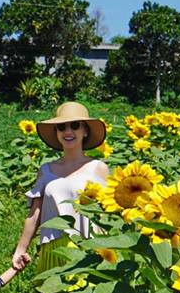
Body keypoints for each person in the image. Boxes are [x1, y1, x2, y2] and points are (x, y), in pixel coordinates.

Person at [12, 102, 109, 272]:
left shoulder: (98, 168)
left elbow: (110, 211)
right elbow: (35, 214)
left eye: (75, 126)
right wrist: (21, 248)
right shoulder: (46, 170)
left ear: (85, 131)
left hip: (90, 246)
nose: (68, 131)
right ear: (56, 132)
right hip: (54, 247)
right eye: (62, 127)